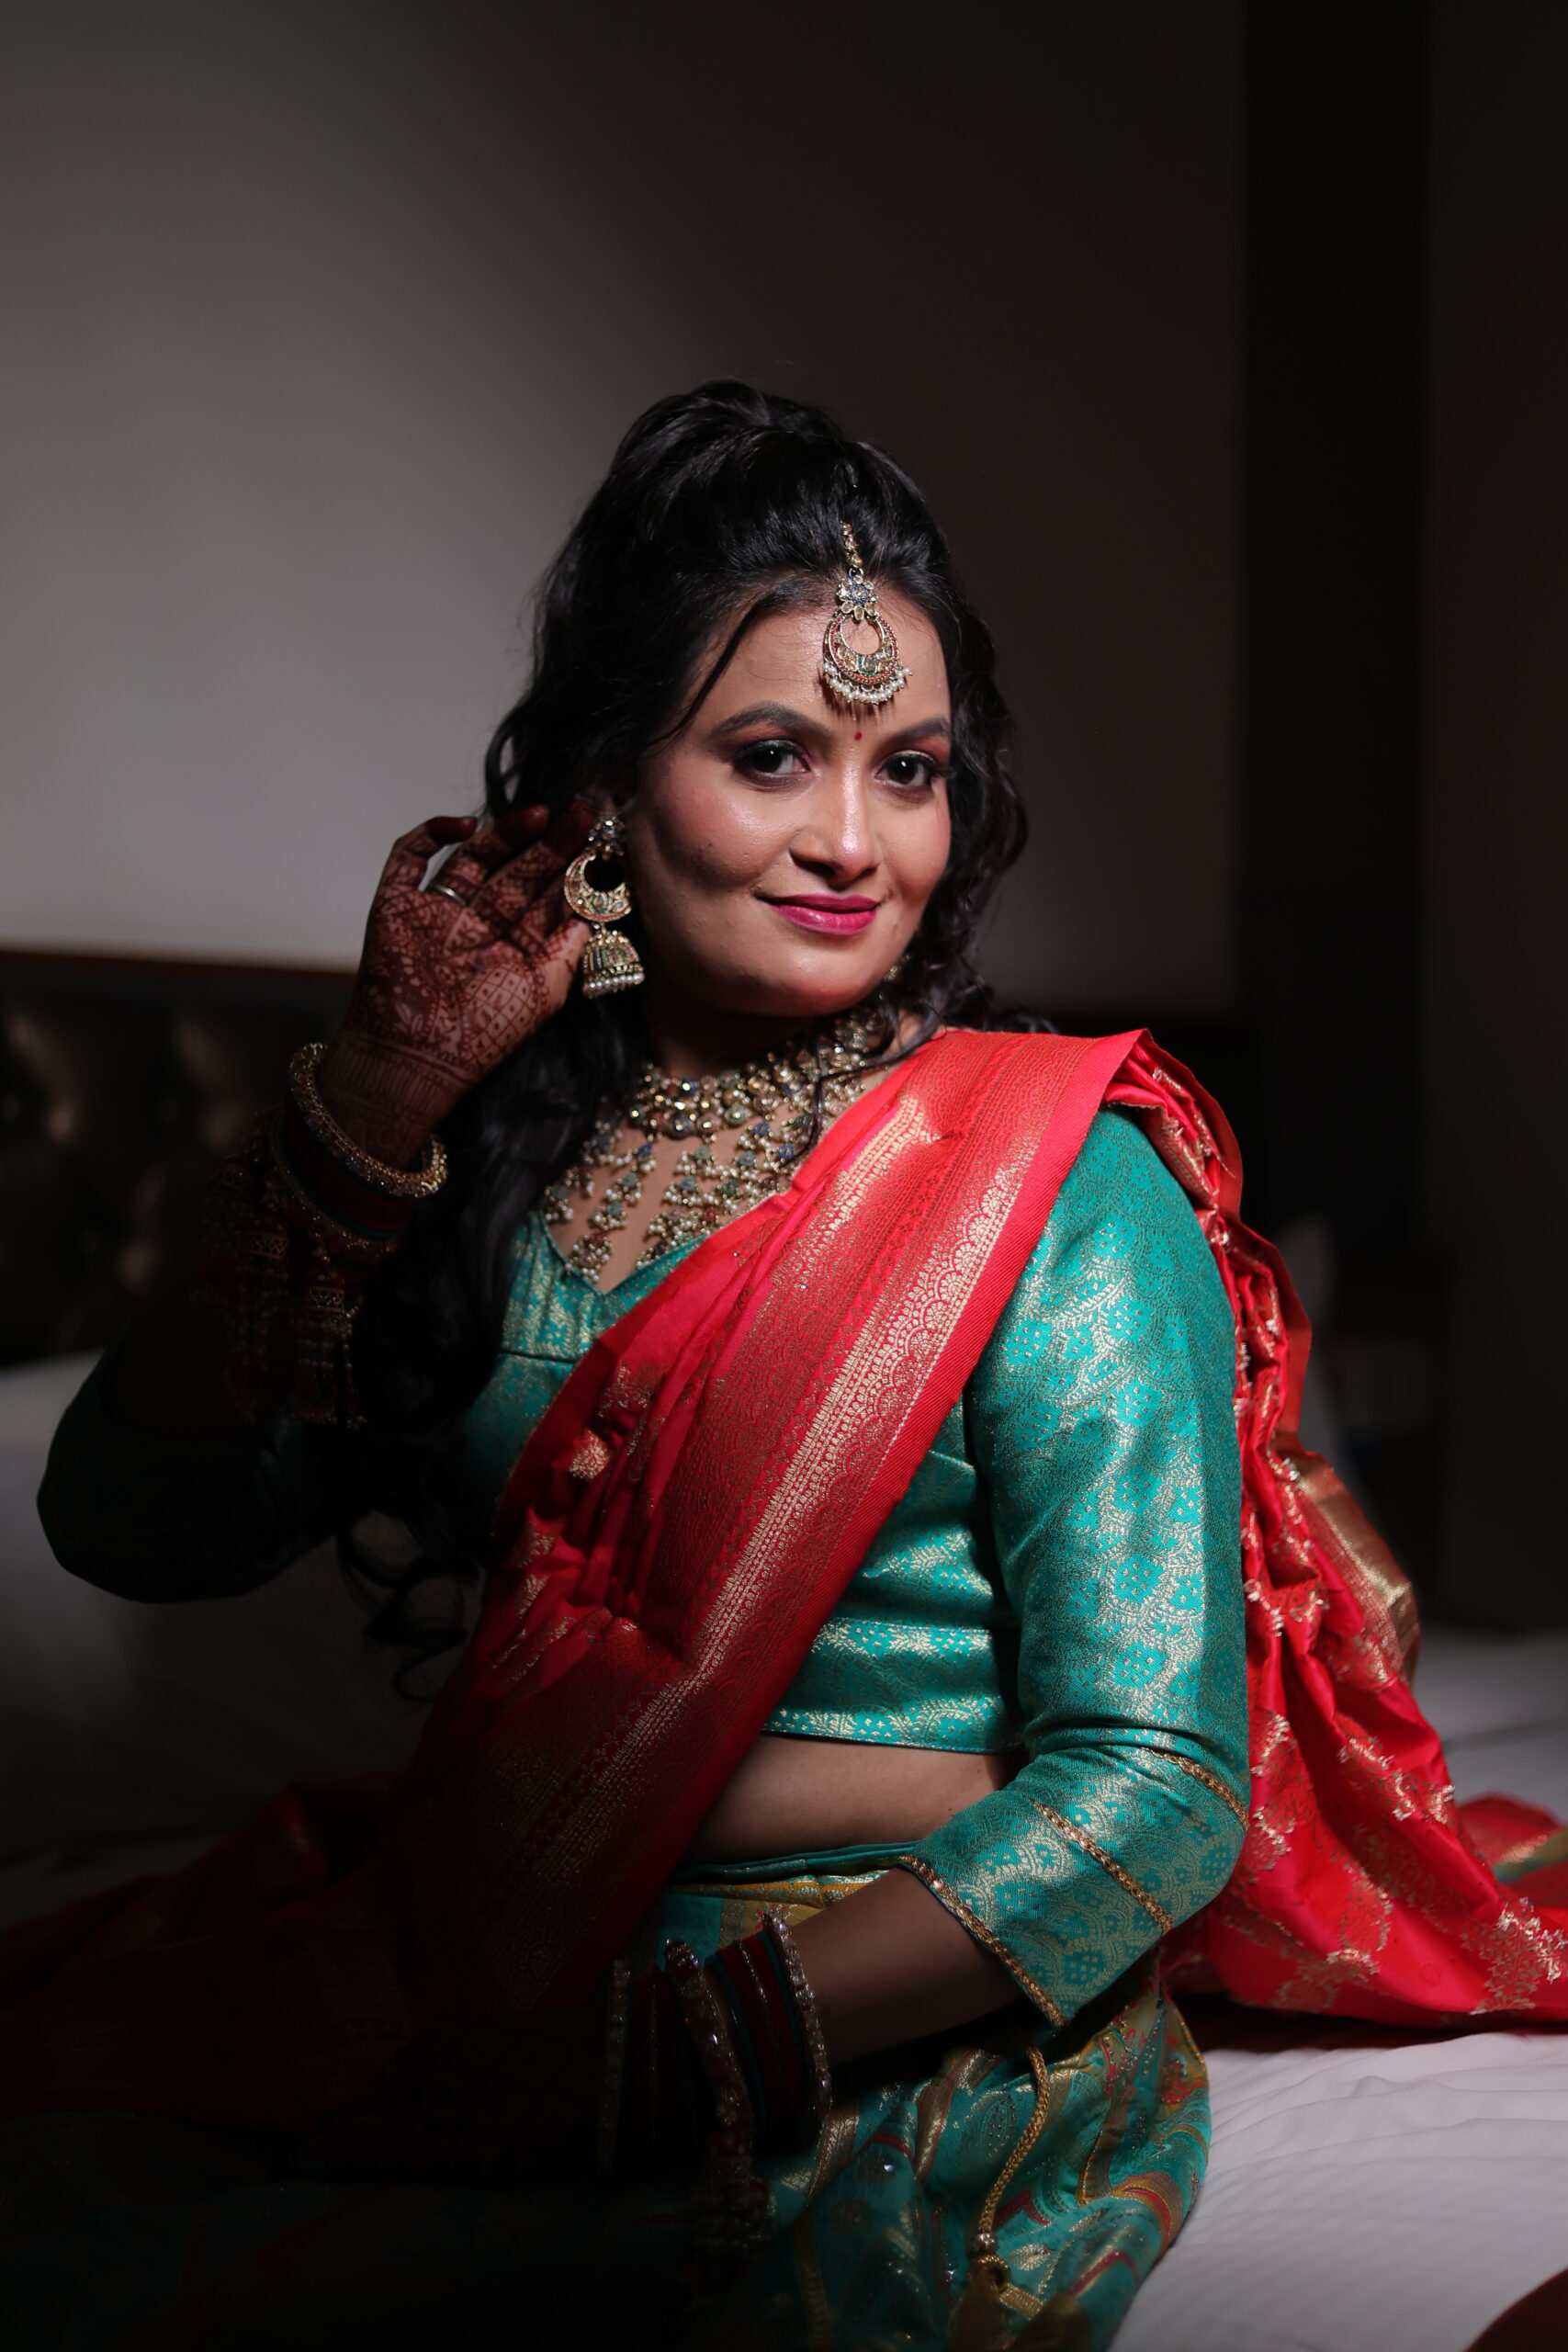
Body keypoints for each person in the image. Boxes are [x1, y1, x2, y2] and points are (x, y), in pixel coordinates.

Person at [7, 382, 1566, 2352]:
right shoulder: (482, 1167)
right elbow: (130, 1528)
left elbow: (1158, 1788)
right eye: (769, 757)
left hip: (881, 2010)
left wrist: (670, 2058)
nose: (851, 840)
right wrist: (375, 1101)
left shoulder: (1049, 1181)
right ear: (604, 786)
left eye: (908, 769)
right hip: (481, 1944)